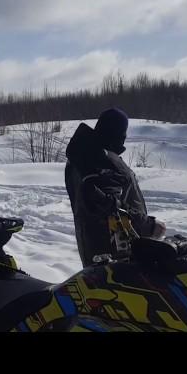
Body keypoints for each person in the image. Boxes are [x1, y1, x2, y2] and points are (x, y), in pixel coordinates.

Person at [64, 107, 166, 267]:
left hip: (91, 244)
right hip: (118, 253)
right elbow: (111, 208)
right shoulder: (104, 162)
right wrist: (150, 227)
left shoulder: (80, 159)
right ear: (119, 134)